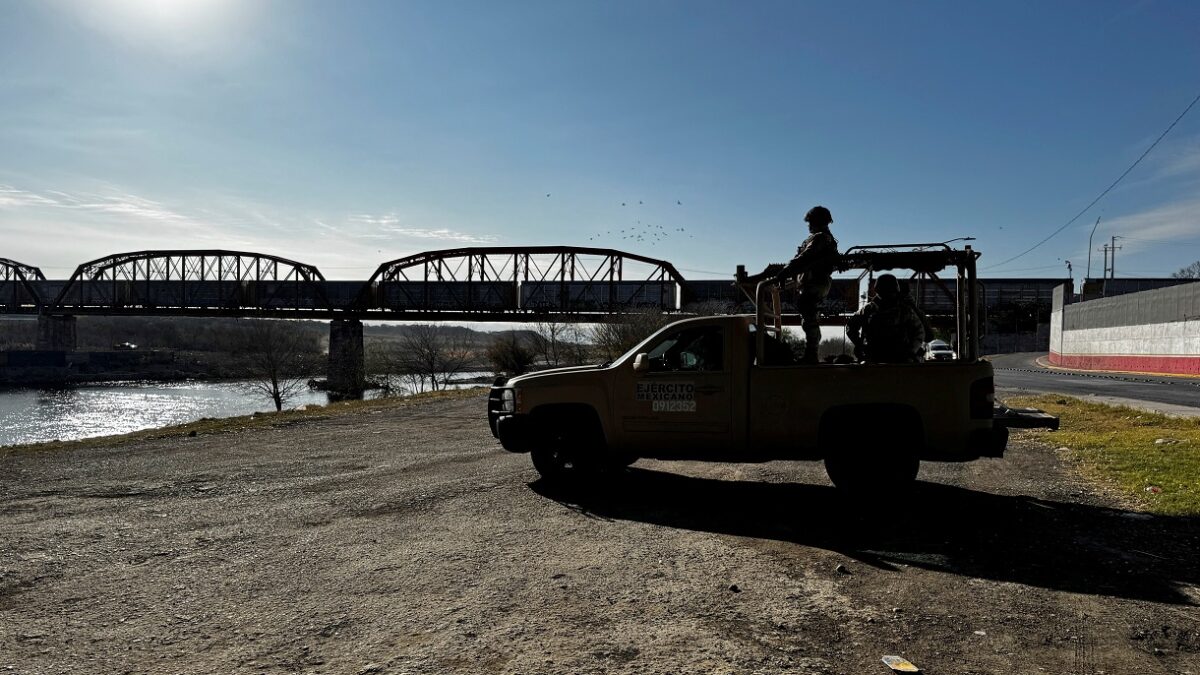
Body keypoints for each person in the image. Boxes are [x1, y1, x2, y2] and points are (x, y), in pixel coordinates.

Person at [745, 205, 840, 363]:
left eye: (811, 222)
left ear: (818, 221)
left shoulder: (820, 238)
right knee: (809, 317)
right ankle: (811, 354)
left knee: (809, 318)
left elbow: (803, 258)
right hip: (814, 282)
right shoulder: (823, 238)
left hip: (815, 282)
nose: (808, 225)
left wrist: (785, 272)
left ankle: (811, 355)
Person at [847, 273, 926, 363]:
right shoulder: (904, 310)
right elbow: (920, 332)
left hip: (882, 357)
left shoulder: (868, 309)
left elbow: (850, 327)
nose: (887, 296)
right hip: (891, 358)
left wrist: (860, 345)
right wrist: (911, 351)